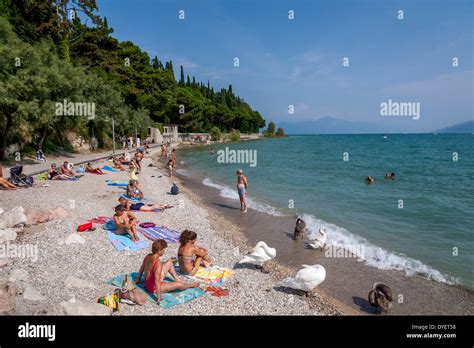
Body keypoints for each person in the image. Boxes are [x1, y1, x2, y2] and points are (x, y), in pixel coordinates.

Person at [136, 239, 199, 304]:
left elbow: (142, 268)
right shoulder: (158, 264)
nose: (164, 252)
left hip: (148, 283)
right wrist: (159, 297)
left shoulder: (148, 256)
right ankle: (190, 285)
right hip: (153, 288)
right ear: (159, 251)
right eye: (163, 250)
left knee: (169, 262)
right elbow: (157, 281)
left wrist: (138, 279)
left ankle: (177, 278)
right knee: (179, 285)